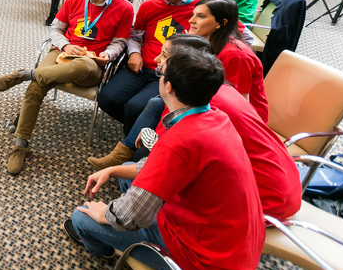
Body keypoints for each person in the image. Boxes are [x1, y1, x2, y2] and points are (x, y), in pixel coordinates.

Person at [69, 46, 264, 270]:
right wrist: (115, 169)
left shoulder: (180, 140)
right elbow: (162, 164)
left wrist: (105, 213)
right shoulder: (215, 117)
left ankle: (106, 250)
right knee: (129, 169)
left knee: (82, 217)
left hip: (209, 266)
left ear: (168, 87)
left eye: (162, 73)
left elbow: (129, 218)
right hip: (233, 248)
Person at [88, 35, 300, 220]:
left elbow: (166, 159)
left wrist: (113, 212)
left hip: (259, 201)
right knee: (135, 167)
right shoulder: (209, 93)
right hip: (280, 184)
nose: (156, 60)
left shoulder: (194, 109)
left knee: (135, 180)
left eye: (163, 55)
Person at [0, 0, 133, 175]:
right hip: (62, 51)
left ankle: (26, 73)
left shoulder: (124, 8)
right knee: (37, 86)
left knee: (83, 67)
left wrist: (107, 54)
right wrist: (66, 46)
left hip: (91, 61)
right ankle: (20, 145)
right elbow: (56, 29)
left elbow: (120, 42)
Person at [97, 0, 205, 135]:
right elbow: (135, 36)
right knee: (107, 99)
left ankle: (133, 146)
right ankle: (143, 132)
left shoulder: (205, 7)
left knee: (136, 106)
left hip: (172, 74)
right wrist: (133, 53)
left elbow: (238, 34)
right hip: (142, 67)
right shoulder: (150, 5)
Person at [189, 0, 267, 120]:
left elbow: (238, 105)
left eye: (201, 16)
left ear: (221, 23)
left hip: (242, 122)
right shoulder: (208, 43)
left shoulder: (236, 56)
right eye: (193, 15)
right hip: (212, 105)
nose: (191, 20)